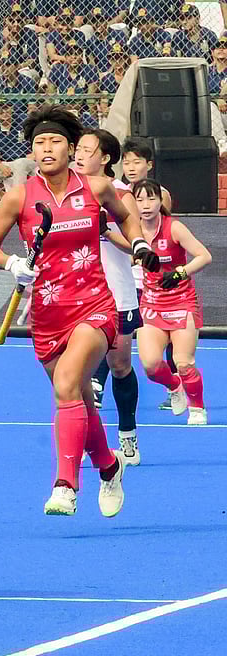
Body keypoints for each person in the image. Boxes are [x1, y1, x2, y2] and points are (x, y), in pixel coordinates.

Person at [0, 105, 159, 517]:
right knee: (80, 401)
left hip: (94, 305)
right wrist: (12, 264)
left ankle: (66, 485)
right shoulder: (19, 196)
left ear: (71, 147)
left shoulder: (95, 188)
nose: (46, 148)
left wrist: (139, 245)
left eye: (55, 141)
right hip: (46, 313)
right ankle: (109, 467)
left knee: (66, 385)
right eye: (39, 142)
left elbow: (127, 219)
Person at [74, 130, 143, 465]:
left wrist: (106, 231)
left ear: (105, 158)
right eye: (79, 149)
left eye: (89, 150)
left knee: (120, 366)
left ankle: (127, 434)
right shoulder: (66, 192)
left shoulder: (120, 194)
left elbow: (137, 246)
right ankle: (89, 447)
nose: (80, 154)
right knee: (77, 374)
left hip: (116, 291)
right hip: (78, 295)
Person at [133, 179, 213, 426]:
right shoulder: (133, 231)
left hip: (182, 302)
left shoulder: (174, 227)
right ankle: (174, 384)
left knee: (184, 362)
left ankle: (197, 408)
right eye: (140, 200)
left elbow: (204, 256)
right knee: (150, 365)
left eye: (151, 199)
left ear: (161, 202)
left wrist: (180, 272)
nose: (146, 205)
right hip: (151, 305)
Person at [121, 137, 177, 409]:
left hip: (156, 276)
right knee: (117, 329)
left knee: (169, 332)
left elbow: (160, 232)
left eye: (137, 162)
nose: (131, 167)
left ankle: (176, 380)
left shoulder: (160, 194)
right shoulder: (117, 191)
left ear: (149, 165)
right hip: (128, 275)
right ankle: (97, 383)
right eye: (126, 161)